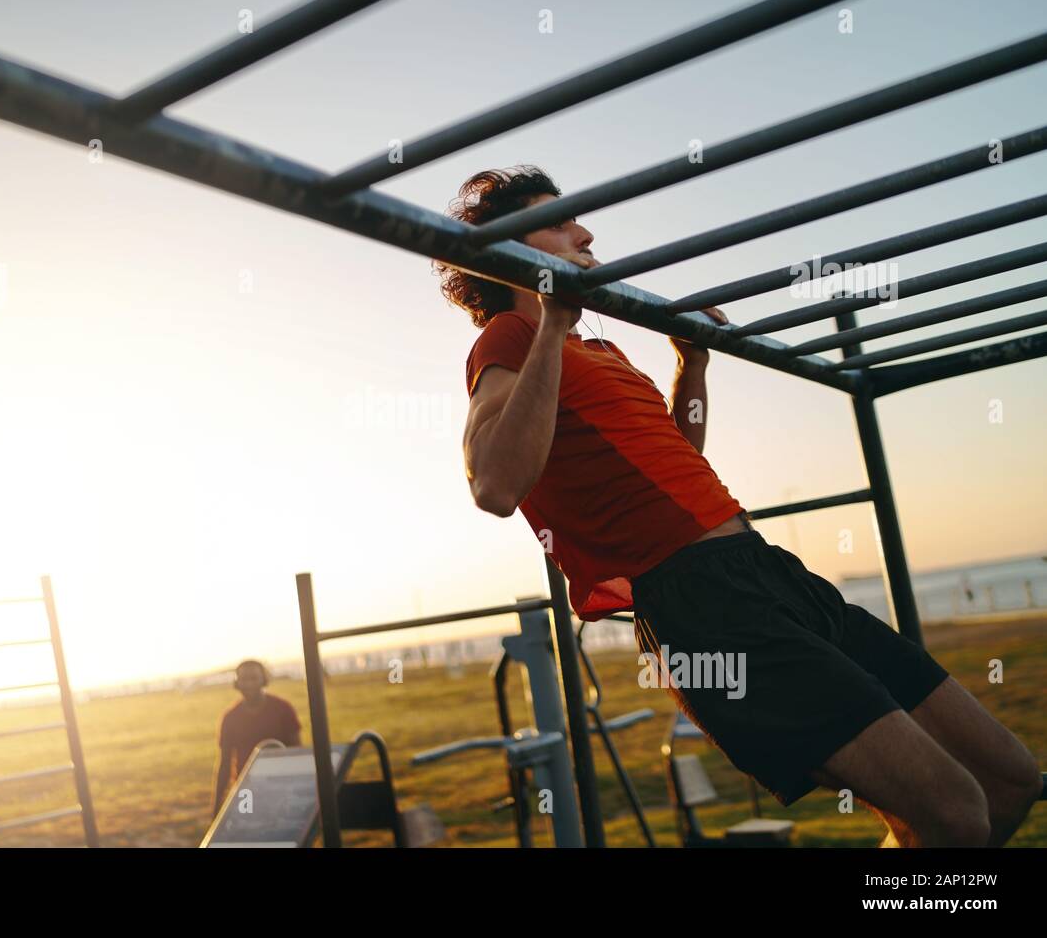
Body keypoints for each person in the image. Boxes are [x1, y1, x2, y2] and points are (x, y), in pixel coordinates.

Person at [441, 165, 1042, 847]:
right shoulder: (508, 340)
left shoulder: (599, 348)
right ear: (508, 251)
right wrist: (549, 325)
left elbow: (680, 455)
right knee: (955, 810)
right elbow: (493, 484)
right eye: (558, 221)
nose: (585, 230)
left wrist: (691, 367)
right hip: (705, 604)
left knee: (1008, 781)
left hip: (767, 570)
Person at [211, 660, 301, 818]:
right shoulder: (230, 717)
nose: (249, 684)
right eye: (244, 679)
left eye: (253, 678)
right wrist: (216, 808)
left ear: (264, 680)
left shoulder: (283, 708)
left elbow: (298, 752)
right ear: (236, 683)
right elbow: (224, 763)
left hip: (281, 784)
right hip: (246, 789)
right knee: (249, 828)